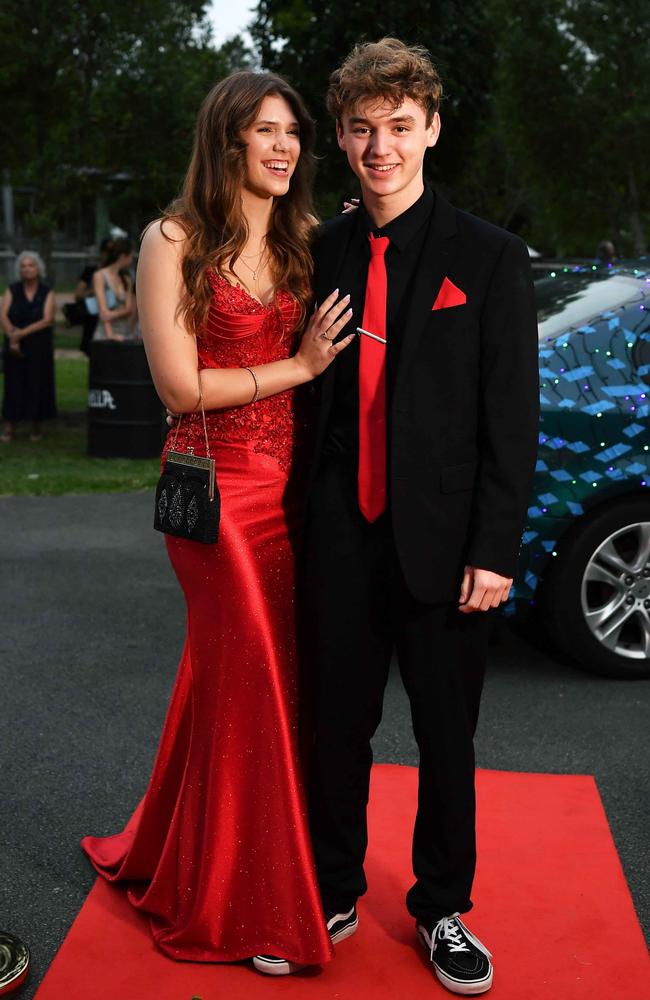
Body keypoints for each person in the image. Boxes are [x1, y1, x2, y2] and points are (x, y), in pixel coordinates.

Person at [81, 70, 355, 973]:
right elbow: (178, 388)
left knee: (241, 684)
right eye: (265, 131)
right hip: (218, 496)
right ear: (228, 138)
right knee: (258, 690)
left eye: (293, 134)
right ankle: (251, 911)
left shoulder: (311, 238)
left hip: (296, 497)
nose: (283, 148)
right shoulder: (176, 239)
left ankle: (177, 853)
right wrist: (301, 368)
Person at [301, 38, 539, 994]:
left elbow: (509, 419)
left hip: (446, 551)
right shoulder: (317, 251)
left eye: (400, 126)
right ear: (343, 136)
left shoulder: (488, 256)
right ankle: (330, 888)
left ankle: (443, 909)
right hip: (338, 540)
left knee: (446, 736)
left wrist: (495, 549)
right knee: (335, 732)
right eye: (362, 128)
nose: (380, 146)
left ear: (432, 128)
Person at [1, 251, 56, 443]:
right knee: (13, 384)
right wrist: (12, 338)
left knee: (36, 382)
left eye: (31, 265)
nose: (27, 269)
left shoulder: (46, 292)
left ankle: (35, 425)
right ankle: (8, 425)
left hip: (38, 344)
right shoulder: (12, 290)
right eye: (23, 266)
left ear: (38, 268)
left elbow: (47, 319)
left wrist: (20, 334)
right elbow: (3, 314)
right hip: (14, 344)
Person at [70, 237, 115, 354]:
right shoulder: (92, 271)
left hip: (114, 317)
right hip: (94, 316)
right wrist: (96, 290)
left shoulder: (120, 274)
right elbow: (78, 294)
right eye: (107, 251)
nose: (109, 255)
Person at [91, 237, 136, 342]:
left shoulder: (126, 278)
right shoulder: (100, 276)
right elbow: (103, 312)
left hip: (125, 332)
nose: (131, 260)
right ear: (123, 256)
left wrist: (110, 314)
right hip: (105, 334)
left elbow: (128, 309)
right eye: (130, 256)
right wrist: (110, 334)